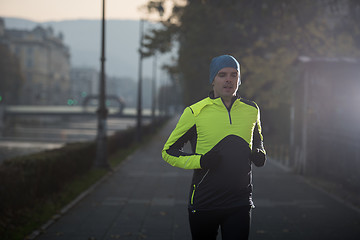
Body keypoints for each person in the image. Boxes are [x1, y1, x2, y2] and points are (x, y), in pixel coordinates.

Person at [162, 54, 266, 240]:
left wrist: (259, 152)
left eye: (234, 75)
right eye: (222, 74)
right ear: (213, 80)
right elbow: (168, 152)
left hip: (240, 202)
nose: (228, 79)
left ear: (239, 79)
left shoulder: (252, 110)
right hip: (205, 202)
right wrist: (200, 160)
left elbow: (258, 140)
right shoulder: (195, 112)